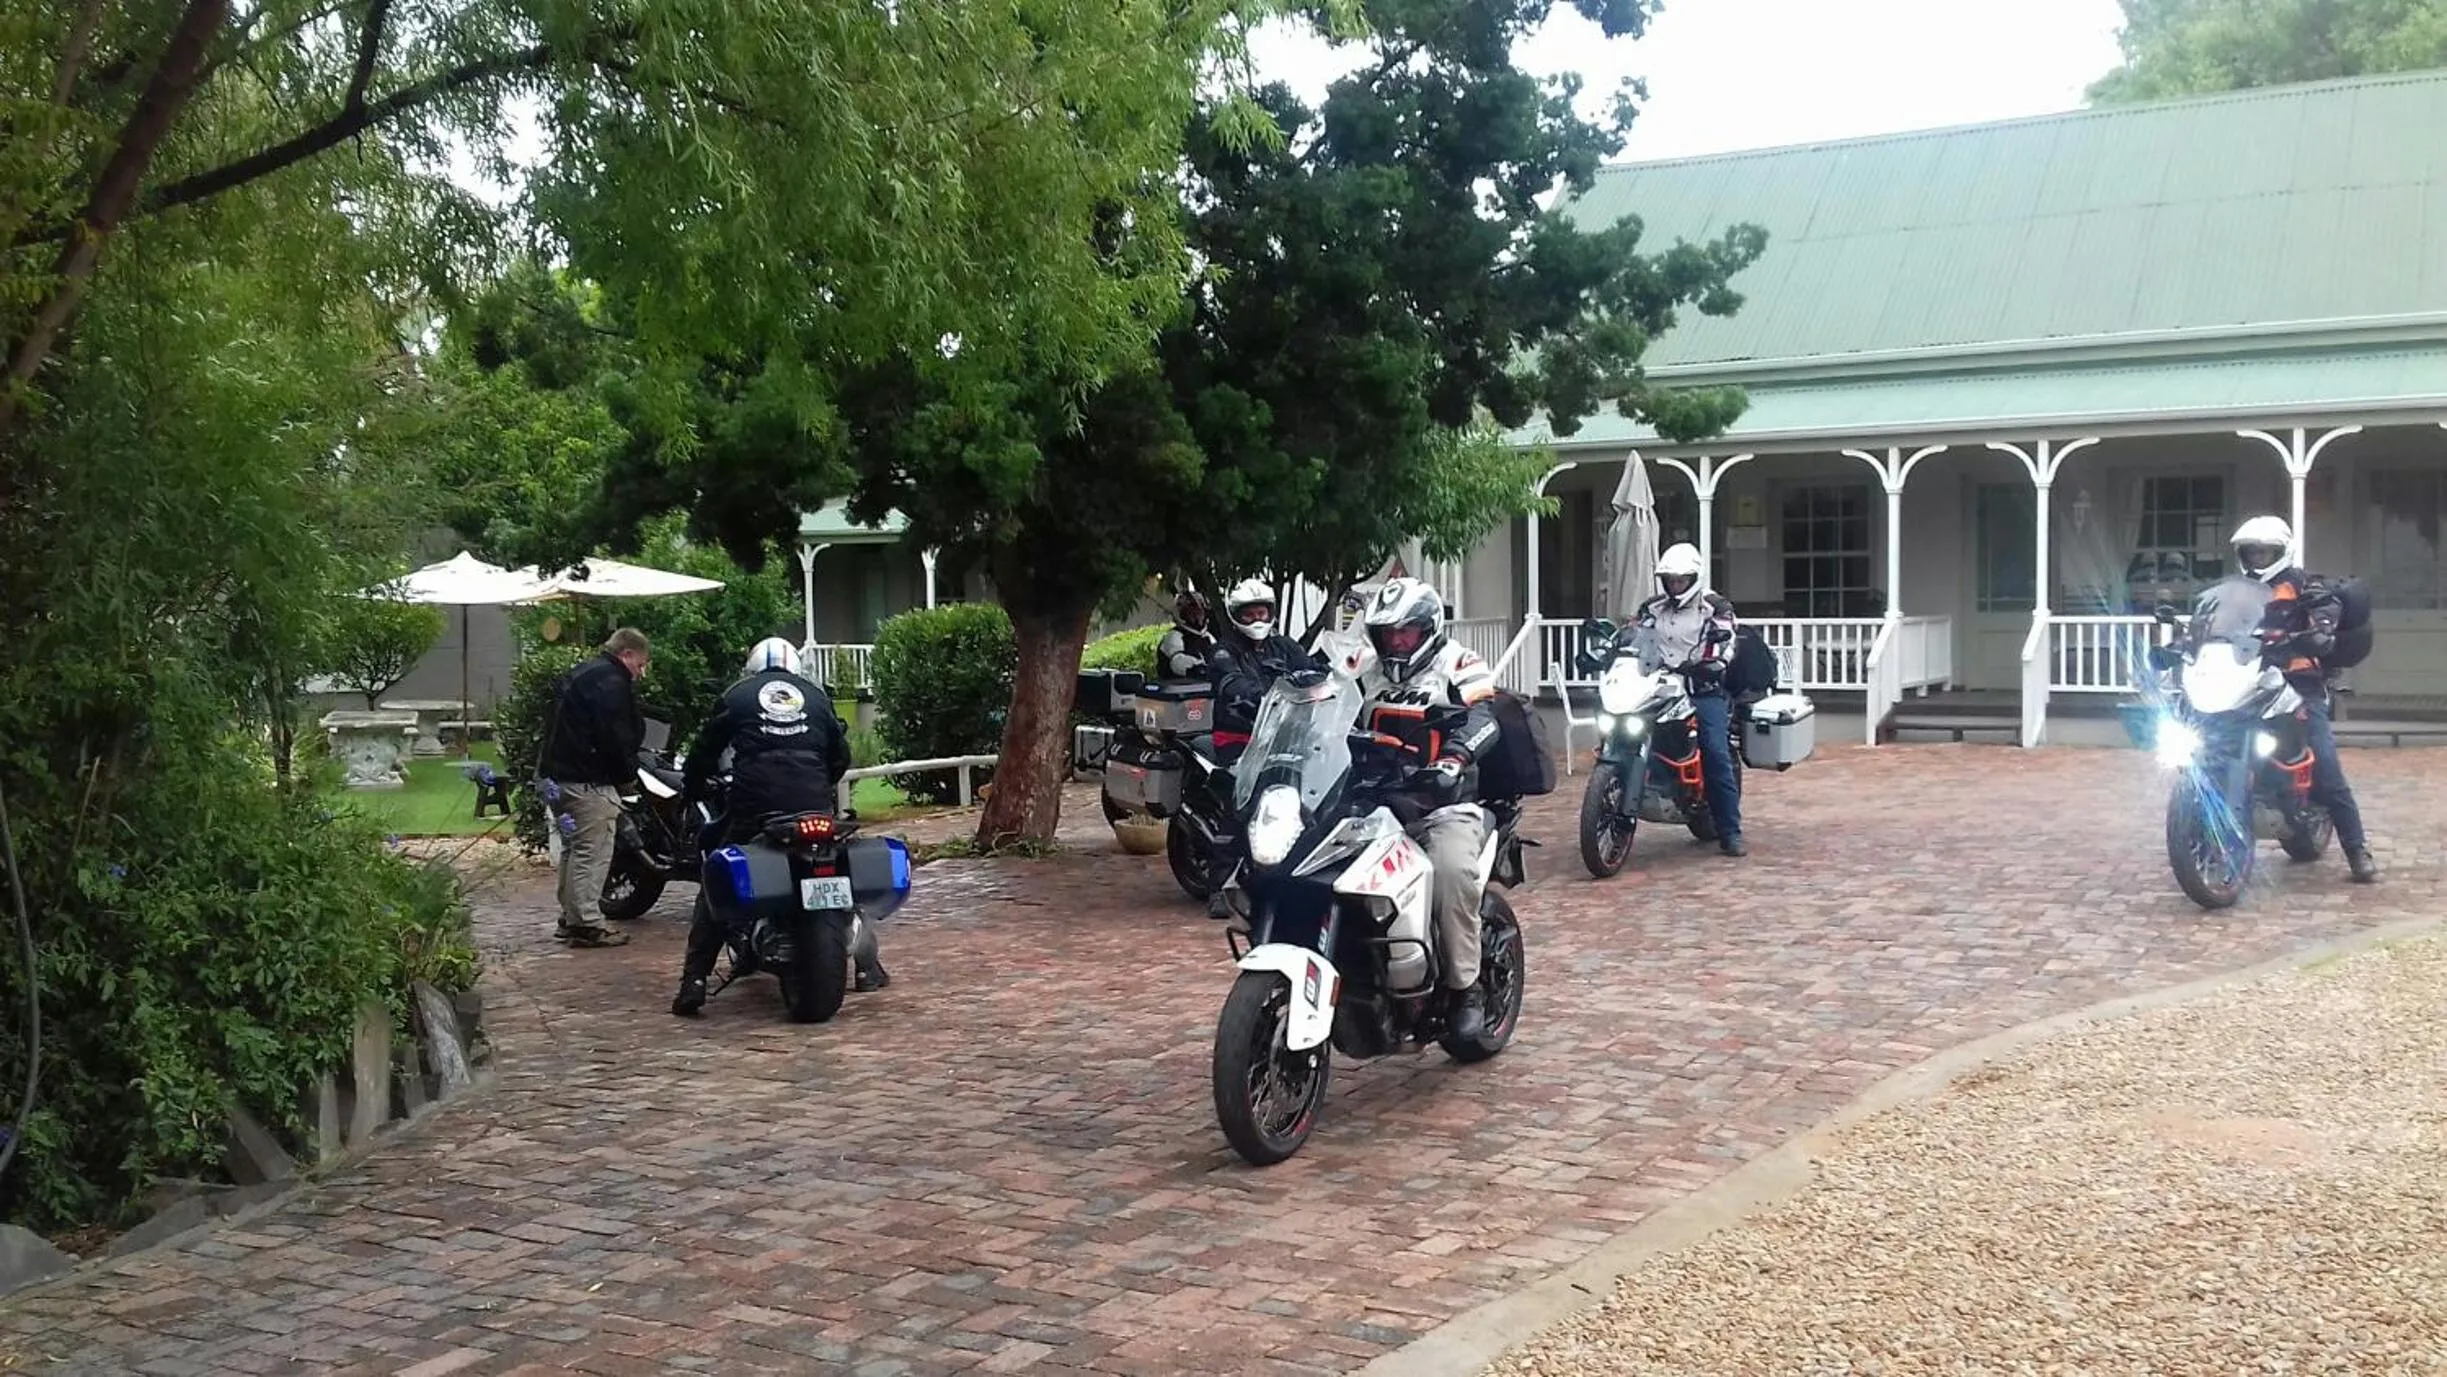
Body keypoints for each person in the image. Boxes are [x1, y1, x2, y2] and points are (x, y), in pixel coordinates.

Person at [671, 638, 886, 1017]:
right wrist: (820, 784)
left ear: (753, 668)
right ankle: (868, 966)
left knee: (715, 874)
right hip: (813, 805)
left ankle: (695, 980)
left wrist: (692, 785)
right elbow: (840, 755)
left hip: (756, 806)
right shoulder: (816, 697)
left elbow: (706, 749)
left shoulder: (737, 696)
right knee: (837, 869)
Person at [1355, 577, 1504, 1041]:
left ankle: (1466, 989)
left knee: (1452, 874)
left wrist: (1454, 758)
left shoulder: (1458, 663)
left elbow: (1485, 717)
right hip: (1372, 801)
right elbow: (1323, 701)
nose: (1396, 642)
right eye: (1388, 633)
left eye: (1406, 632)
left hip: (1442, 804)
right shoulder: (1363, 667)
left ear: (1428, 628)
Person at [2232, 516, 2379, 884]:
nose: (2258, 558)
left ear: (2282, 551)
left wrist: (2322, 628)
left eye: (2265, 551)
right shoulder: (2237, 588)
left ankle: (2357, 849)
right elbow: (2217, 620)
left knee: (2326, 769)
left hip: (2299, 686)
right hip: (2250, 684)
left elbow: (2326, 606)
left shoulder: (2301, 583)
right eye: (2251, 551)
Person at [537, 627, 651, 948]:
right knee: (593, 849)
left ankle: (570, 915)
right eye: (639, 665)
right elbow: (614, 737)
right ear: (626, 654)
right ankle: (586, 921)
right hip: (586, 779)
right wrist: (626, 775)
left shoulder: (582, 672)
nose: (639, 674)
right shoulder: (611, 683)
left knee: (574, 848)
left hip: (556, 775)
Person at [1632, 543, 1746, 857]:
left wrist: (1711, 663)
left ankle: (1730, 832)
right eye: (1670, 580)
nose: (1675, 585)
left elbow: (1725, 639)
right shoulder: (1653, 607)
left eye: (1681, 580)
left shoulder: (1714, 606)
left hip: (1701, 687)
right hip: (1659, 684)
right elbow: (1634, 636)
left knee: (1714, 751)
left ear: (1694, 578)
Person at [1207, 578, 1321, 759]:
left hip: (1283, 733)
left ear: (1270, 613)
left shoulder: (1284, 645)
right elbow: (1231, 682)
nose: (1257, 619)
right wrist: (1266, 698)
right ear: (1237, 616)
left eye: (1261, 613)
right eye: (1249, 615)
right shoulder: (1223, 651)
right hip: (1240, 737)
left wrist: (1335, 678)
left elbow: (1311, 668)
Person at [1154, 590, 1216, 681]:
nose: (1197, 614)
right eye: (1191, 610)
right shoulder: (1174, 636)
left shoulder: (1208, 637)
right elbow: (1177, 662)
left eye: (1200, 609)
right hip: (1178, 689)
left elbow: (1219, 657)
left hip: (1204, 687)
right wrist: (1199, 668)